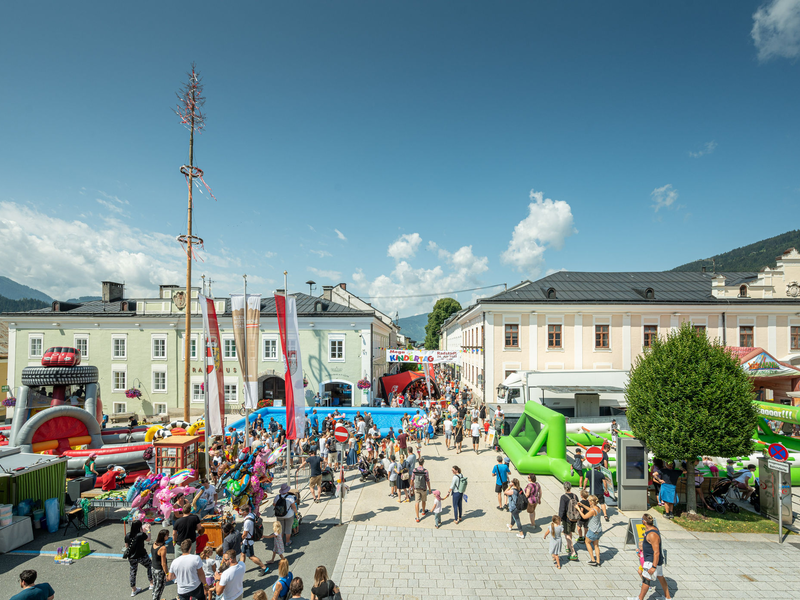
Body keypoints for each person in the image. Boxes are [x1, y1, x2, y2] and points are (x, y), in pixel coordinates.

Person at [632, 513, 672, 600]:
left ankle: (640, 598)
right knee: (660, 576)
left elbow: (656, 552)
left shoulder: (652, 534)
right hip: (653, 559)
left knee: (646, 580)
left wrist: (653, 567)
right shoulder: (651, 529)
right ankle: (668, 598)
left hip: (651, 561)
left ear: (644, 521)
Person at [124, 520, 154, 596]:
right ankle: (151, 583)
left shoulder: (128, 535)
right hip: (142, 555)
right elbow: (148, 539)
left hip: (131, 557)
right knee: (150, 566)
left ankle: (133, 590)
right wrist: (149, 530)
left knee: (133, 572)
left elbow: (126, 546)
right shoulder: (141, 535)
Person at [239, 505, 269, 576]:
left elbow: (244, 534)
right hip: (248, 539)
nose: (239, 513)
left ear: (245, 512)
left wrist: (240, 541)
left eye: (241, 512)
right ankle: (240, 569)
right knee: (242, 553)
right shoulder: (252, 514)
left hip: (248, 541)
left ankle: (264, 567)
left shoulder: (247, 522)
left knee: (251, 556)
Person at [578, 495, 603, 566]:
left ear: (591, 502)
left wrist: (579, 509)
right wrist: (582, 505)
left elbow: (584, 516)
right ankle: (598, 561)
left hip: (593, 530)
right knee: (596, 545)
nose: (588, 502)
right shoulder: (598, 508)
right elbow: (590, 509)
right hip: (599, 530)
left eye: (589, 501)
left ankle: (592, 559)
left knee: (587, 542)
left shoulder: (592, 510)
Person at [557, 481, 579, 562]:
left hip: (567, 519)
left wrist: (559, 519)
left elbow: (562, 510)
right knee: (570, 533)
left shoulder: (564, 497)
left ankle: (573, 552)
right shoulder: (575, 496)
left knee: (566, 534)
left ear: (564, 488)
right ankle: (568, 547)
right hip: (574, 518)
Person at [150, 528, 170, 600]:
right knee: (159, 588)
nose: (168, 536)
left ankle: (154, 597)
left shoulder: (154, 544)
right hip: (159, 571)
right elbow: (163, 563)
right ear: (164, 537)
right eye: (167, 535)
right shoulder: (163, 548)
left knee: (155, 586)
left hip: (153, 568)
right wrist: (167, 574)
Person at [412, 457, 431, 523]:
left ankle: (417, 517)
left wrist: (411, 486)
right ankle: (423, 511)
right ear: (423, 463)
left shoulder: (415, 470)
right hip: (423, 488)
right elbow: (427, 480)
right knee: (423, 500)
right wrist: (430, 489)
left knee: (417, 502)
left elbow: (412, 479)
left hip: (416, 488)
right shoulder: (425, 471)